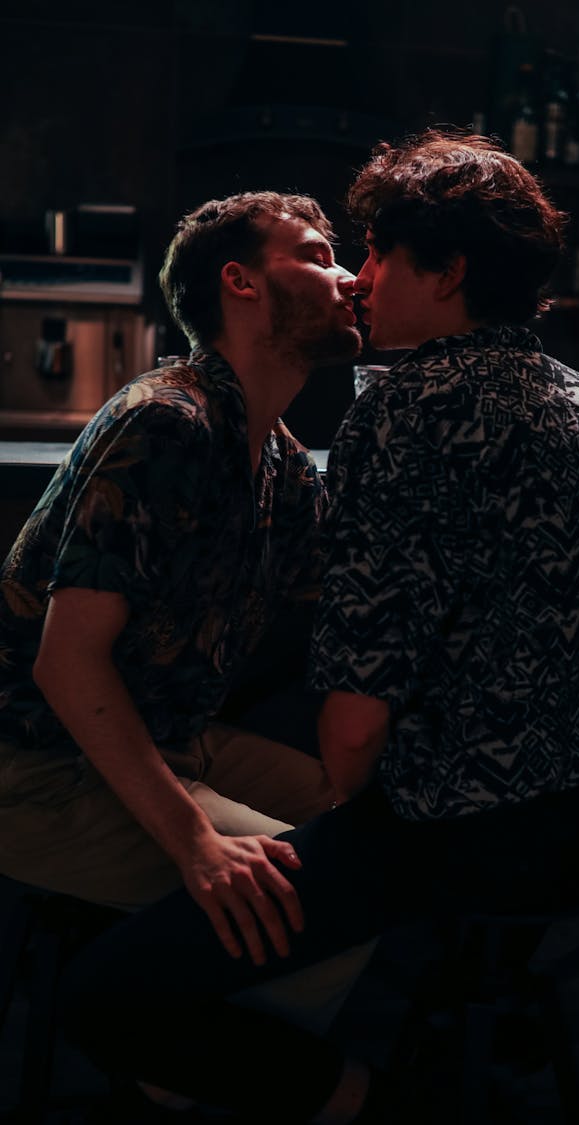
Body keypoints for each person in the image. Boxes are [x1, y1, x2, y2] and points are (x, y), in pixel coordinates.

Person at [59, 131, 579, 1124]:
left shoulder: (410, 412)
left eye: (380, 252)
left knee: (108, 996)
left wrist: (342, 808)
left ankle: (386, 1107)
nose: (362, 276)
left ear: (450, 270)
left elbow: (350, 738)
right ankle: (445, 1052)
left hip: (450, 836)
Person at [0, 189, 378, 1023]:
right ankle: (188, 1081)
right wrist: (196, 845)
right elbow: (65, 663)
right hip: (33, 767)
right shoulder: (166, 422)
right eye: (317, 255)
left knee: (374, 842)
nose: (350, 278)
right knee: (324, 907)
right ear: (240, 283)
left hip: (172, 741)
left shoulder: (281, 461)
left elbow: (344, 606)